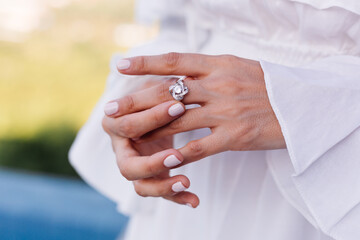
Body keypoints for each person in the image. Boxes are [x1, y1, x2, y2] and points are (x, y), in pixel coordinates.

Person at [69, 0, 360, 239]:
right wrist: (145, 104)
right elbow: (185, 20)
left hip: (334, 173)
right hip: (196, 168)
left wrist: (300, 100)